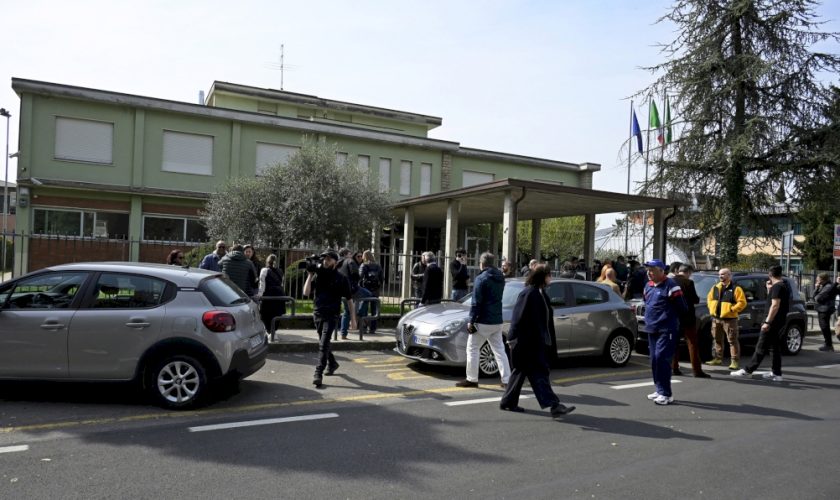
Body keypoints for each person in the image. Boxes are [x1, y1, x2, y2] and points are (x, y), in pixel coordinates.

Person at [500, 264, 576, 418]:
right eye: (549, 275)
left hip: (535, 342)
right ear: (543, 277)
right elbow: (517, 318)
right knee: (537, 373)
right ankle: (554, 405)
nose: (550, 278)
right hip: (527, 342)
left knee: (522, 372)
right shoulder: (529, 294)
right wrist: (512, 339)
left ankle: (508, 401)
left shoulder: (540, 293)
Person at [455, 252, 511, 389]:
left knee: (473, 348)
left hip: (483, 320)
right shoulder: (500, 277)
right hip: (497, 319)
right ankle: (507, 380)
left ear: (482, 263)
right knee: (499, 350)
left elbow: (476, 302)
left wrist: (471, 320)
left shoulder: (481, 278)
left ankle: (472, 379)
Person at [303, 249, 356, 388]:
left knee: (323, 343)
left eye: (329, 259)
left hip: (332, 315)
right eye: (324, 259)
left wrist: (353, 319)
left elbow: (349, 300)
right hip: (318, 313)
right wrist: (310, 275)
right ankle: (332, 363)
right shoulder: (318, 274)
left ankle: (318, 373)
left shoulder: (342, 278)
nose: (325, 261)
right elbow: (306, 292)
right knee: (324, 343)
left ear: (335, 262)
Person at [731, 265, 791, 382]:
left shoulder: (777, 287)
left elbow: (775, 305)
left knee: (761, 347)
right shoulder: (783, 286)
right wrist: (769, 290)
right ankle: (776, 373)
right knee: (774, 348)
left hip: (772, 322)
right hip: (779, 321)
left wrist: (767, 322)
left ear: (770, 275)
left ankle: (748, 370)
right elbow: (774, 301)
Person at [642, 259, 687, 405]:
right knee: (654, 360)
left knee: (662, 358)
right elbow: (647, 303)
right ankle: (659, 389)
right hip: (652, 328)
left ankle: (666, 394)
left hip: (666, 329)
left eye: (652, 270)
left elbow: (682, 307)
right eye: (648, 270)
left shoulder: (671, 285)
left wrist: (670, 319)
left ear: (662, 271)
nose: (649, 273)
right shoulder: (648, 286)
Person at [671, 264, 710, 378]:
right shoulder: (689, 283)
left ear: (678, 271)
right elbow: (695, 299)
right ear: (688, 272)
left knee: (674, 344)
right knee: (692, 343)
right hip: (688, 317)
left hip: (674, 317)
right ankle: (697, 370)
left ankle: (674, 367)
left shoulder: (670, 282)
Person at [705, 268, 747, 369]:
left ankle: (734, 361)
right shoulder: (715, 287)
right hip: (716, 318)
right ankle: (718, 358)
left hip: (729, 320)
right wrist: (711, 307)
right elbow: (709, 299)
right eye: (720, 274)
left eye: (723, 274)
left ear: (729, 275)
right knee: (717, 339)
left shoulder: (736, 288)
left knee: (732, 341)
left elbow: (742, 302)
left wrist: (732, 309)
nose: (720, 276)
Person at [337, 249, 372, 338]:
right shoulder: (350, 261)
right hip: (352, 289)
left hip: (342, 290)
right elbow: (355, 273)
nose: (351, 254)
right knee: (368, 294)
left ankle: (343, 334)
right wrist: (356, 280)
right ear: (346, 254)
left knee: (346, 311)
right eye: (350, 253)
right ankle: (359, 312)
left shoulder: (338, 262)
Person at [257, 254, 286, 334]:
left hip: (268, 295)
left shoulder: (264, 270)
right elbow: (281, 284)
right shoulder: (280, 271)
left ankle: (269, 331)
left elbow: (262, 285)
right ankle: (274, 332)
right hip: (279, 295)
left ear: (267, 261)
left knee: (265, 315)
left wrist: (259, 295)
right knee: (277, 314)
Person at [359, 250, 384, 335]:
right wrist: (378, 287)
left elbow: (360, 277)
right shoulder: (378, 266)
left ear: (364, 256)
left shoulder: (364, 265)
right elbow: (382, 278)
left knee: (364, 309)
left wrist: (360, 286)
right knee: (374, 310)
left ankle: (364, 327)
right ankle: (373, 329)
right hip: (375, 290)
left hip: (366, 289)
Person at [813, 273, 839, 352]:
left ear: (822, 279)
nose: (816, 279)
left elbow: (818, 298)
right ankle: (828, 344)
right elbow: (814, 297)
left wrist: (836, 283)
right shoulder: (824, 286)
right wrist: (817, 288)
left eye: (818, 278)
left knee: (824, 327)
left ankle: (828, 345)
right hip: (822, 309)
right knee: (824, 327)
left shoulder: (828, 286)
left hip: (825, 309)